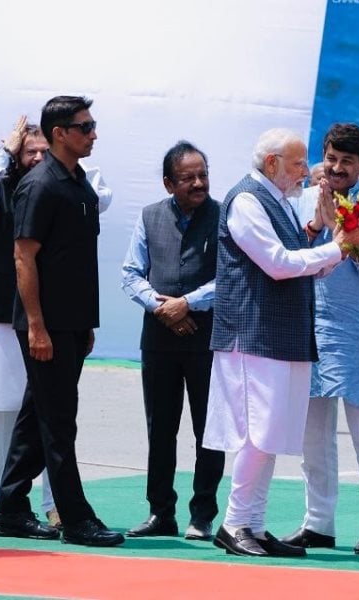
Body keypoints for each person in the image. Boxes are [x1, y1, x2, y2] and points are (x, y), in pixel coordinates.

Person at [201, 128, 359, 557]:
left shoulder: (279, 201)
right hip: (253, 334)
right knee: (257, 434)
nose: (308, 171)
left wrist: (332, 246)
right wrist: (338, 246)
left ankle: (255, 526)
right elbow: (278, 265)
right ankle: (235, 523)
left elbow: (303, 266)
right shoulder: (247, 201)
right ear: (271, 164)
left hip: (282, 335)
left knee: (274, 432)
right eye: (299, 163)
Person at [0, 96, 123, 547]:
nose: (93, 134)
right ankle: (76, 517)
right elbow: (23, 258)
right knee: (59, 422)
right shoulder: (40, 185)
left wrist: (84, 322)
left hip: (71, 322)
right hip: (44, 326)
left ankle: (9, 508)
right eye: (85, 127)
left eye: (92, 125)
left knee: (36, 417)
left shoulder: (79, 183)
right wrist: (37, 327)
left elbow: (76, 260)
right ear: (60, 132)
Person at [281, 124, 359, 554]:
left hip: (356, 331)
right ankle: (318, 522)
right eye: (331, 159)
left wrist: (345, 234)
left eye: (347, 162)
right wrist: (319, 223)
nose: (336, 168)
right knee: (312, 433)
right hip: (309, 325)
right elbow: (291, 257)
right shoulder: (303, 200)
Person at [122, 141, 225, 541]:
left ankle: (202, 515)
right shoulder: (149, 217)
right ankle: (160, 512)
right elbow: (131, 274)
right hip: (159, 340)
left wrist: (187, 303)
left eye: (203, 175)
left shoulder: (225, 216)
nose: (199, 183)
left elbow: (230, 278)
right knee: (160, 428)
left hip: (208, 340)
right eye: (188, 178)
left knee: (209, 430)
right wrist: (162, 308)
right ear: (169, 183)